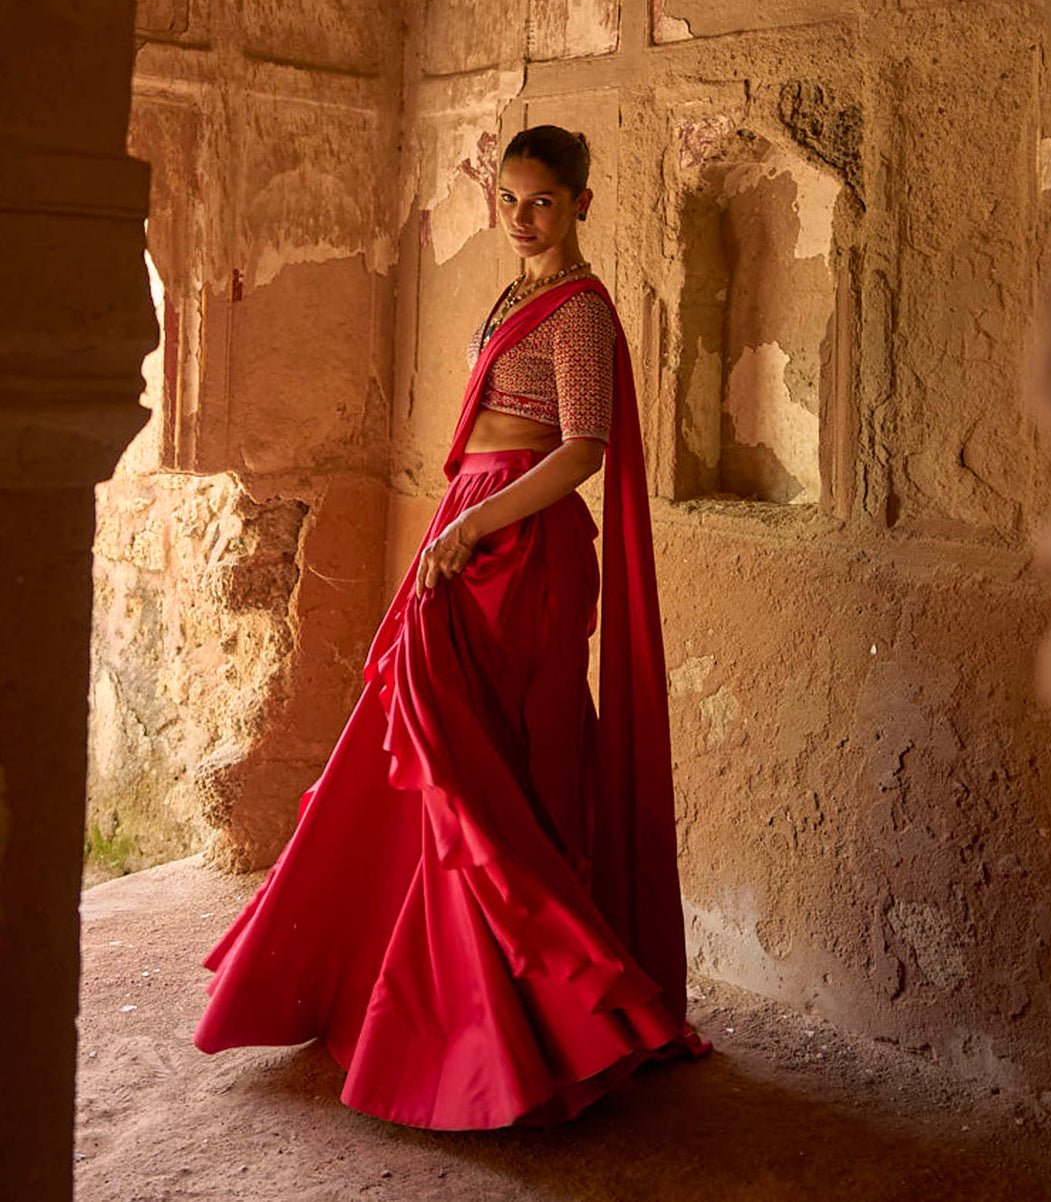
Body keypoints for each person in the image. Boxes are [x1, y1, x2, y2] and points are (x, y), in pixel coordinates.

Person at [192, 125, 713, 1130]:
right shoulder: (512, 297)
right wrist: (460, 521)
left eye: (544, 202)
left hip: (520, 545)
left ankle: (535, 1023)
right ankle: (443, 1010)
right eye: (510, 200)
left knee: (483, 761)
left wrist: (473, 523)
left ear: (581, 204)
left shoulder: (581, 315)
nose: (523, 219)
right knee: (447, 756)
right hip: (471, 527)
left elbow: (581, 452)